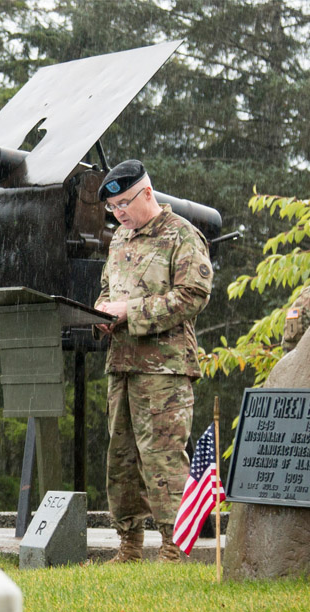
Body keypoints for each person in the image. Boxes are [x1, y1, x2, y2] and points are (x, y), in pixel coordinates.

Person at [93, 159, 214, 563]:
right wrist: (101, 315)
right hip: (121, 363)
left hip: (165, 367)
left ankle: (175, 548)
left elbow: (193, 295)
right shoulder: (119, 240)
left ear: (148, 193)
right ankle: (129, 545)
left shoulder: (182, 234)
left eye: (125, 203)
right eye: (113, 209)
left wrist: (132, 312)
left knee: (162, 457)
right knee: (121, 458)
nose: (119, 213)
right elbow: (107, 291)